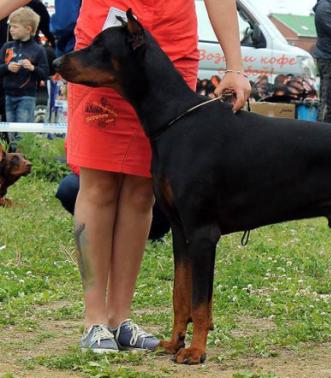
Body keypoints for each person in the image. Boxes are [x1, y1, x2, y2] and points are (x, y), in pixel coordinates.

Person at [3, 0, 251, 354]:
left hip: (168, 55)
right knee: (98, 185)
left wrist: (235, 67)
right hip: (103, 53)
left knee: (140, 192)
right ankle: (94, 320)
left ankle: (120, 318)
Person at [55, 167, 171, 241]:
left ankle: (151, 232)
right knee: (70, 188)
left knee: (140, 195)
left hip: (141, 180)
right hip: (103, 171)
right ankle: (101, 230)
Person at [0, 6, 49, 151]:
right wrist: (6, 67)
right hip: (8, 96)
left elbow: (45, 74)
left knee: (23, 134)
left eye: (15, 27)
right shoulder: (7, 47)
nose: (11, 30)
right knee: (11, 134)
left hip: (26, 97)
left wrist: (32, 68)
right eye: (10, 26)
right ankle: (14, 165)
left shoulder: (38, 50)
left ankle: (24, 162)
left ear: (28, 29)